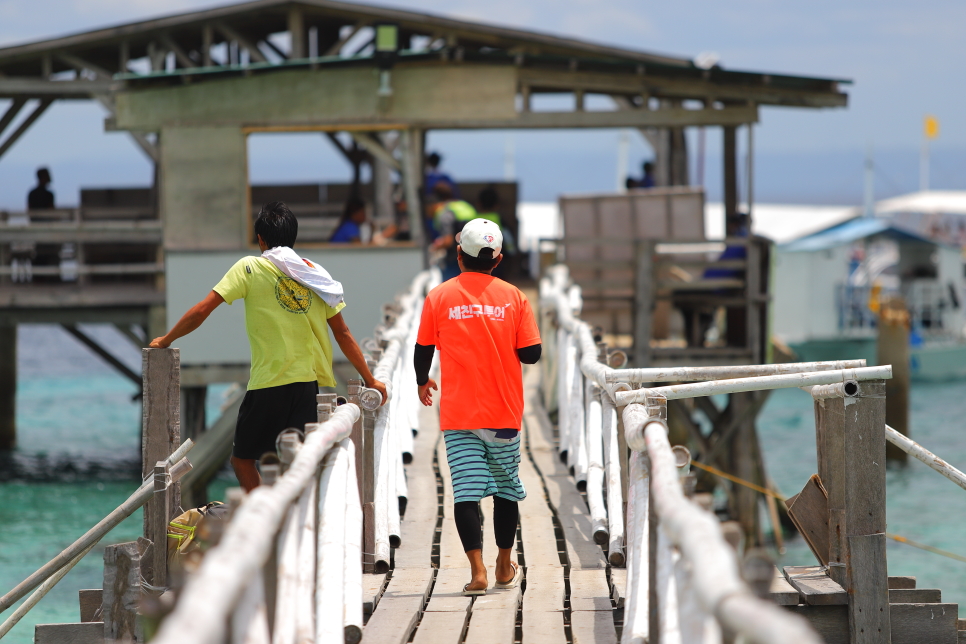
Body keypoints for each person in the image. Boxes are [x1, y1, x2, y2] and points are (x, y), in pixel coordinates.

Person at [150, 202, 387, 491]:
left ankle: (267, 523)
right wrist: (370, 378)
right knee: (302, 459)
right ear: (293, 236)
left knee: (242, 460)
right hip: (306, 385)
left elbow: (202, 310)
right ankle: (297, 525)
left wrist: (166, 340)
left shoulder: (249, 267)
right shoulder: (316, 275)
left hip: (267, 383)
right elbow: (344, 333)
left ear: (261, 239)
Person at [414, 218, 542, 595]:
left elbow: (422, 350)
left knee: (466, 492)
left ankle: (478, 571)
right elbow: (532, 354)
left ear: (458, 255)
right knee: (505, 489)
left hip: (459, 416)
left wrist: (423, 381)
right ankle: (505, 563)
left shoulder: (439, 297)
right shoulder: (515, 297)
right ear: (498, 259)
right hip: (504, 412)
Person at [429, 183, 478, 281]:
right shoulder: (465, 206)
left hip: (456, 259)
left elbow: (448, 241)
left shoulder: (445, 213)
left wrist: (433, 248)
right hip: (476, 256)